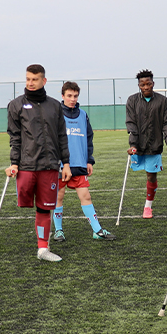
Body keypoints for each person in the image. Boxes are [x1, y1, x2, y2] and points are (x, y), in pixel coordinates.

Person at [6, 64, 72, 262]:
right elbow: (14, 136)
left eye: (34, 79)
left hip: (49, 165)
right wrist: (14, 162)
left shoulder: (54, 106)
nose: (30, 83)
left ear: (44, 81)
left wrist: (66, 164)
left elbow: (62, 136)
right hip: (26, 165)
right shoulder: (16, 105)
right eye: (27, 79)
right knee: (25, 203)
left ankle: (43, 248)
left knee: (45, 207)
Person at [52, 81, 115, 242]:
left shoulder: (83, 114)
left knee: (85, 196)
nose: (72, 99)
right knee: (59, 196)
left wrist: (89, 161)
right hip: (59, 165)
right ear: (62, 95)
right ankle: (58, 230)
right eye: (69, 96)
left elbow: (88, 138)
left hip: (79, 163)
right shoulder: (56, 114)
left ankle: (97, 230)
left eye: (75, 96)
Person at [124, 69, 167, 219]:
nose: (146, 87)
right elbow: (131, 123)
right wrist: (133, 144)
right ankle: (147, 202)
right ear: (139, 85)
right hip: (137, 145)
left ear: (153, 83)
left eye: (148, 84)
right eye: (142, 84)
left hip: (155, 145)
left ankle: (148, 206)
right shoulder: (132, 100)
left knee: (151, 176)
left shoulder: (162, 101)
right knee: (141, 172)